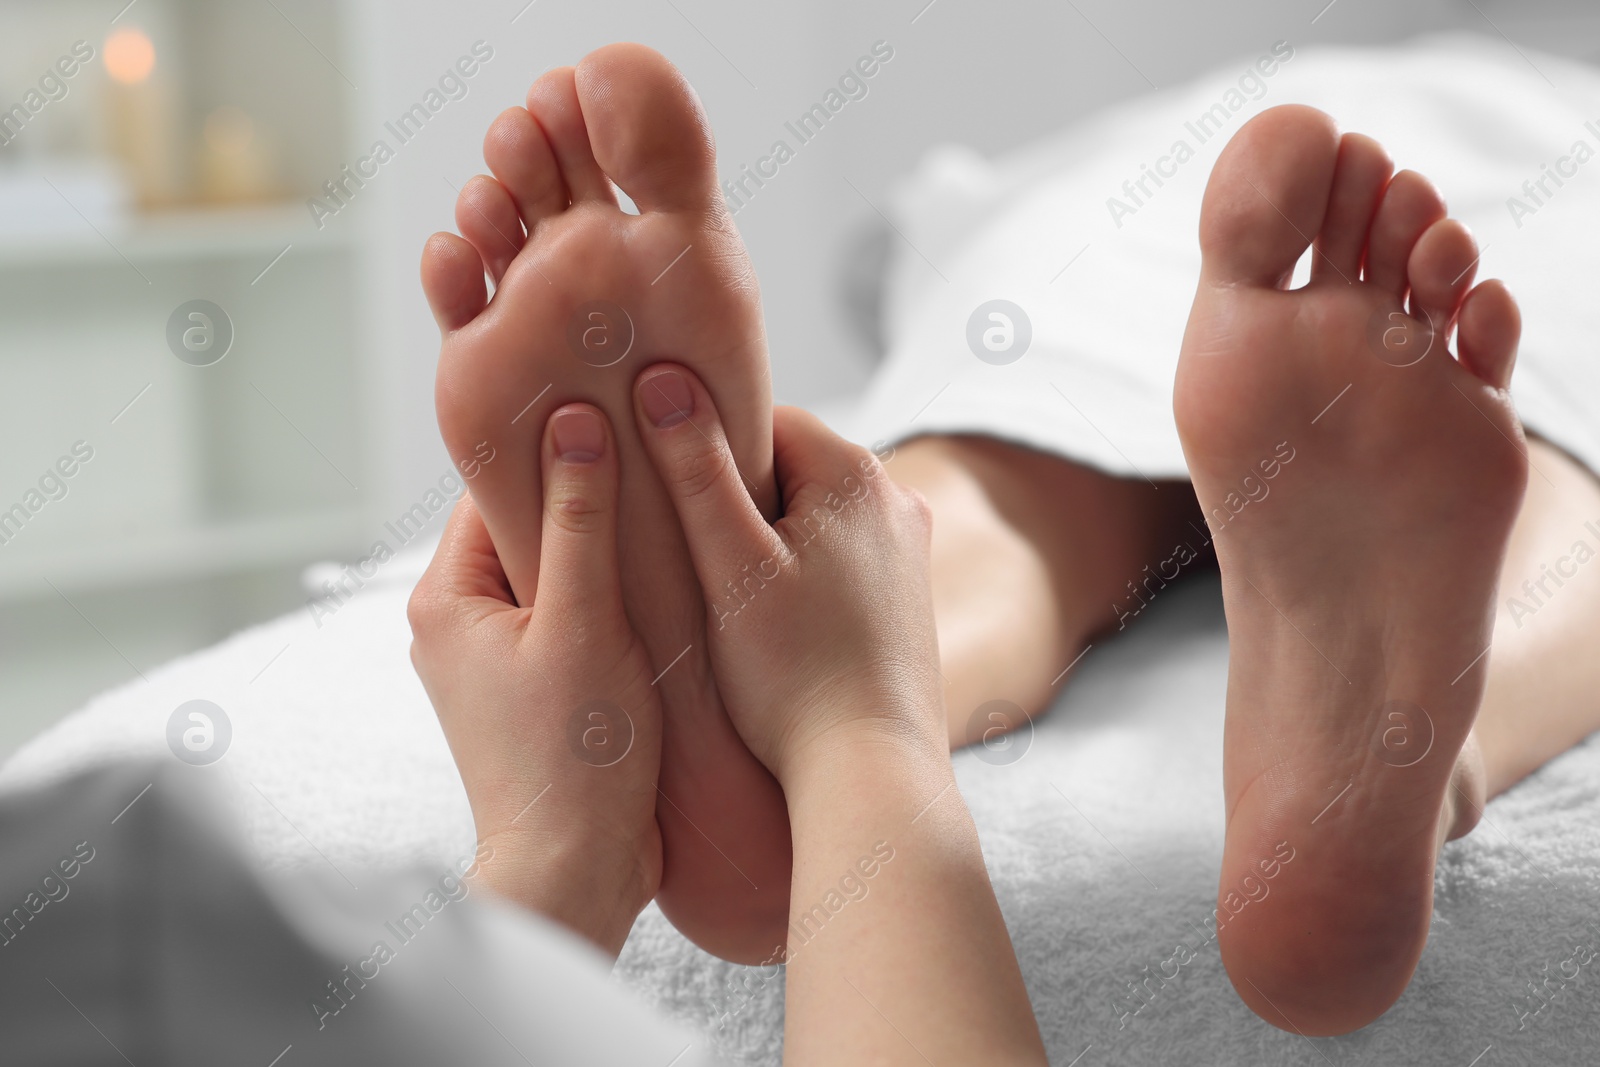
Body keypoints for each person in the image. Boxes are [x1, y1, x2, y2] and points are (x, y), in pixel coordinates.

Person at [418, 41, 1600, 1036]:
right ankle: (1434, 727)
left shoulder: (1036, 173)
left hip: (1085, 257)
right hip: (1545, 234)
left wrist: (554, 854)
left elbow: (886, 257)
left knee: (1000, 470)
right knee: (1558, 473)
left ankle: (791, 690)